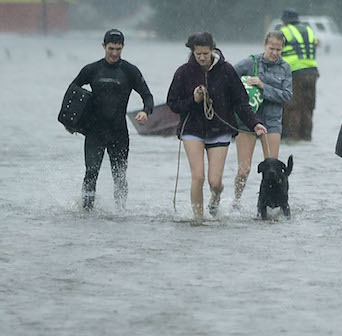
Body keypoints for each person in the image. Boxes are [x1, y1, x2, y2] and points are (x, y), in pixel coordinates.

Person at [167, 31, 267, 220]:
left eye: (206, 53)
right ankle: (199, 220)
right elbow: (172, 103)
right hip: (192, 130)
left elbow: (241, 102)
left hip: (220, 130)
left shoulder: (227, 70)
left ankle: (217, 195)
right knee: (198, 177)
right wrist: (193, 99)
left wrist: (255, 124)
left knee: (214, 182)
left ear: (212, 50)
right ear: (193, 52)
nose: (202, 58)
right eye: (198, 54)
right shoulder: (183, 72)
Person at [68, 28, 154, 210]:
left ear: (123, 47)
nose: (114, 53)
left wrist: (146, 111)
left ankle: (120, 212)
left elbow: (147, 96)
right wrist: (72, 121)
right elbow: (72, 91)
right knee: (91, 173)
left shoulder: (130, 71)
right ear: (103, 46)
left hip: (119, 132)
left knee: (120, 176)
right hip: (94, 132)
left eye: (118, 49)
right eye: (111, 49)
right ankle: (86, 212)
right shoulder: (91, 70)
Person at [231, 30, 293, 205]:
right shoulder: (251, 62)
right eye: (271, 48)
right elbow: (229, 76)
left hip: (272, 122)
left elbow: (287, 96)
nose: (274, 53)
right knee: (244, 170)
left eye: (278, 50)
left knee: (272, 171)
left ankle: (269, 204)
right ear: (264, 45)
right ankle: (236, 201)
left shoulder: (285, 68)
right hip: (247, 121)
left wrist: (262, 86)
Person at [279, 8, 320, 140]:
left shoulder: (284, 31)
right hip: (312, 72)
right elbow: (317, 43)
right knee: (308, 107)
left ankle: (293, 139)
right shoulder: (308, 30)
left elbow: (275, 48)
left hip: (295, 73)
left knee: (292, 107)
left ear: (285, 21)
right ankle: (306, 138)